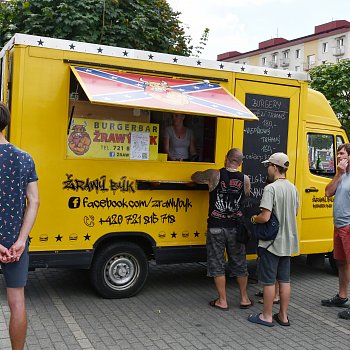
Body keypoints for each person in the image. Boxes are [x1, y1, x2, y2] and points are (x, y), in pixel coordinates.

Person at [191, 148, 252, 311]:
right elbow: (246, 195)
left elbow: (195, 177)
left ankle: (223, 301)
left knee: (217, 263)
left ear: (226, 159)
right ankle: (244, 298)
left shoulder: (214, 174)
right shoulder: (245, 179)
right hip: (235, 227)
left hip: (216, 226)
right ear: (240, 163)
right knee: (239, 262)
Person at [0, 102, 40, 350]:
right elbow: (34, 200)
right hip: (15, 244)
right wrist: (20, 240)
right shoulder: (25, 158)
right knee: (17, 303)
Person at [248, 152, 299, 327]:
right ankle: (283, 316)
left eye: (268, 165)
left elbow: (265, 216)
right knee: (284, 280)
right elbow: (295, 213)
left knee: (269, 281)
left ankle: (267, 316)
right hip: (287, 242)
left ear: (275, 167)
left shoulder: (271, 188)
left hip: (271, 243)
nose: (267, 169)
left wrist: (254, 219)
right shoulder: (293, 188)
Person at [321, 143, 350, 320]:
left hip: (348, 226)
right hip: (338, 226)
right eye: (338, 154)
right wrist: (338, 174)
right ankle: (342, 296)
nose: (338, 156)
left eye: (342, 154)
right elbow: (327, 193)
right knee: (340, 262)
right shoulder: (341, 175)